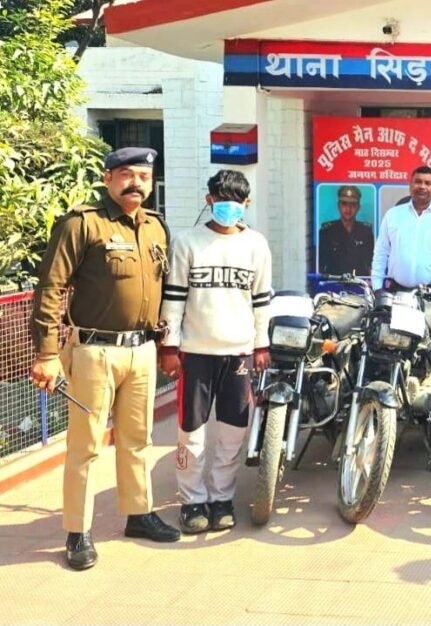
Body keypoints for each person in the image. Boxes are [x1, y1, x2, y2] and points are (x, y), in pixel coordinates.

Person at [29, 147, 181, 571]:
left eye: (144, 176)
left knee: (138, 440)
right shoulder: (82, 224)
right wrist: (46, 353)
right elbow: (51, 288)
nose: (136, 183)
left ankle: (138, 513)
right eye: (127, 175)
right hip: (94, 351)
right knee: (85, 446)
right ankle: (77, 531)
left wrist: (166, 344)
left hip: (142, 350)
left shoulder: (155, 227)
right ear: (108, 177)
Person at [158, 170, 273, 534]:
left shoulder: (256, 245)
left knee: (233, 431)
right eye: (222, 200)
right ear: (209, 200)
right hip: (194, 353)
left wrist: (261, 344)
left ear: (247, 203)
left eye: (236, 201)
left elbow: (261, 301)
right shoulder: (187, 242)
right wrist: (169, 347)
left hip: (239, 352)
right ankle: (192, 501)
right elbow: (173, 299)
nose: (229, 207)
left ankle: (222, 498)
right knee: (191, 431)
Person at [371, 166, 431, 294]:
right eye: (418, 182)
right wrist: (377, 287)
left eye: (428, 183)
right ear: (410, 185)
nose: (422, 186)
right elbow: (381, 253)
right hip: (399, 292)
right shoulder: (393, 215)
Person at [318, 185, 374, 277]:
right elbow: (320, 265)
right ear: (338, 206)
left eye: (353, 205)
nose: (348, 209)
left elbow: (370, 264)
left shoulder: (366, 232)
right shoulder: (327, 232)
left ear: (358, 207)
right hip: (334, 282)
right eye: (344, 204)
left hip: (359, 281)